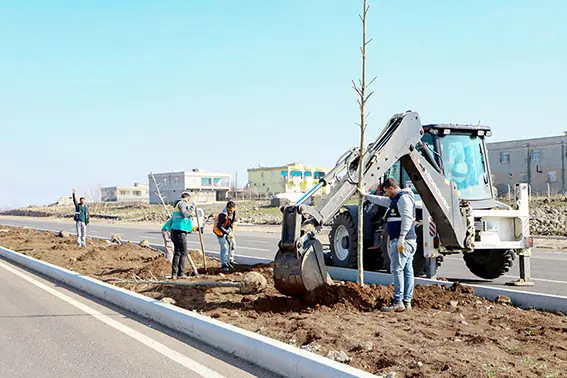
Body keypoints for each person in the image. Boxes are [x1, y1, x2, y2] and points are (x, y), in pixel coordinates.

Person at [359, 177, 417, 312]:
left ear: (392, 188)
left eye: (386, 191)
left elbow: (407, 219)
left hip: (403, 240)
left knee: (397, 269)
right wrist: (367, 196)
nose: (386, 195)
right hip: (406, 240)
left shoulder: (403, 199)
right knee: (407, 270)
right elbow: (383, 201)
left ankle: (399, 301)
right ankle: (406, 301)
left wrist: (402, 237)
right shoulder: (397, 199)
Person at [170, 191, 196, 279]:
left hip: (174, 231)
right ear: (188, 198)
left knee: (177, 253)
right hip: (180, 232)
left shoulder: (177, 204)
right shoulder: (182, 203)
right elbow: (185, 214)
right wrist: (192, 207)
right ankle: (180, 273)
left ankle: (174, 274)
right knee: (183, 253)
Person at [213, 200, 237, 273]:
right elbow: (219, 226)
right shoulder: (222, 215)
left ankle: (231, 260)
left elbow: (233, 222)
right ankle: (224, 265)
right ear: (227, 208)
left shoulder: (234, 212)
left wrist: (231, 233)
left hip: (227, 229)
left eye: (232, 210)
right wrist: (227, 233)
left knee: (233, 244)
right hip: (219, 231)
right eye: (229, 210)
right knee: (224, 247)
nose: (230, 212)